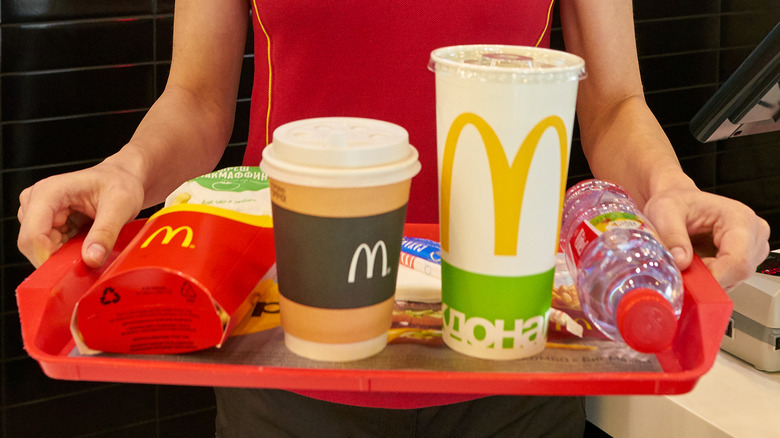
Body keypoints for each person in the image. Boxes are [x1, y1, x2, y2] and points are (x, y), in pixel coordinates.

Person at [16, 1, 770, 436]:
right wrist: (128, 170)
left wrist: (666, 186)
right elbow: (197, 99)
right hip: (290, 354)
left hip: (511, 360)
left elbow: (611, 103)